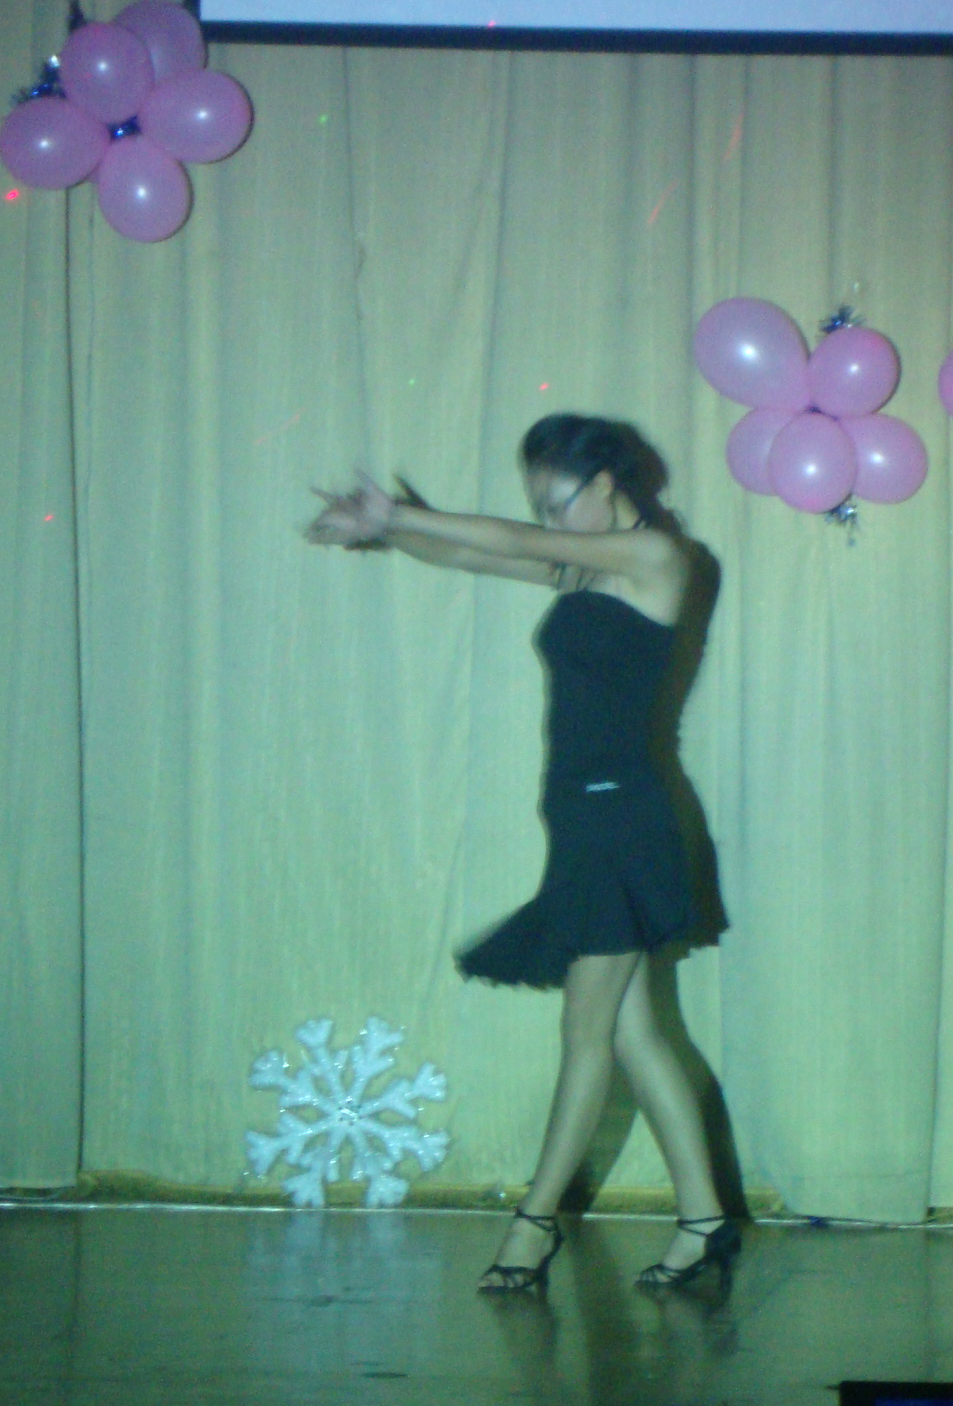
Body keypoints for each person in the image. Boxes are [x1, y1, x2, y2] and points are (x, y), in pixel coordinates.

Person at [306, 414, 739, 1294]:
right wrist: (387, 533)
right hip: (583, 819)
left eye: (559, 500)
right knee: (634, 1034)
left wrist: (398, 511)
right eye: (540, 504)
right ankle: (705, 1223)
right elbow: (475, 556)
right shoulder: (587, 566)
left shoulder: (656, 555)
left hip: (623, 820)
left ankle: (533, 1225)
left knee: (587, 1034)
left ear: (608, 483)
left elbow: (509, 540)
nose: (549, 519)